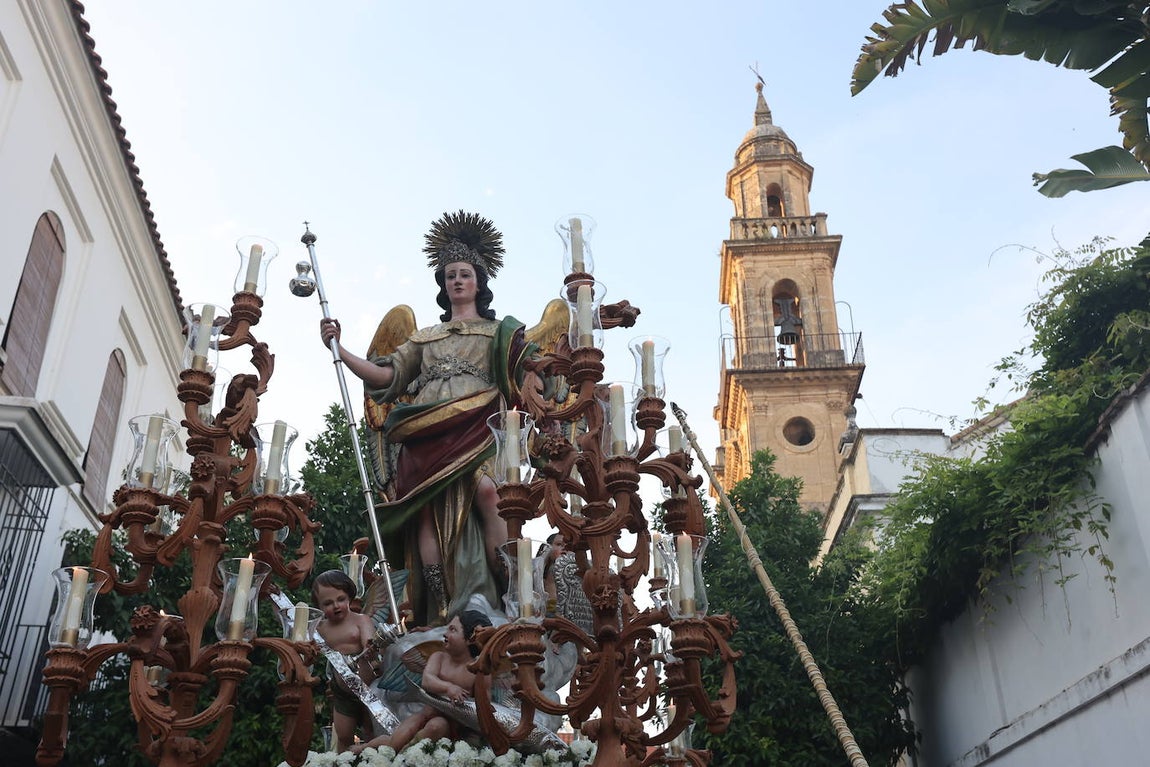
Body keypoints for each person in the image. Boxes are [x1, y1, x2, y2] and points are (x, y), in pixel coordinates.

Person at [319, 211, 535, 625]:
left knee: (491, 494)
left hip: (480, 425)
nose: (457, 280)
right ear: (443, 284)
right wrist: (341, 351)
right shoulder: (424, 338)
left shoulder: (500, 332)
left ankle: (509, 586)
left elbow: (528, 373)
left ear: (479, 282)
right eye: (450, 275)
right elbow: (387, 376)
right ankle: (435, 608)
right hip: (424, 430)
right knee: (427, 516)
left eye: (465, 274)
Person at [349, 610, 493, 756]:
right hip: (426, 714)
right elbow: (427, 680)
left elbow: (485, 704)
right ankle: (368, 747)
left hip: (457, 725)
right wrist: (448, 687)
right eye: (447, 628)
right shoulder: (439, 658)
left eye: (452, 630)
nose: (445, 634)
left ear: (470, 639)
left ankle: (407, 754)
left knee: (437, 726)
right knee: (398, 738)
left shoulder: (479, 670)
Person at [313, 569, 379, 751]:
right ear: (319, 606)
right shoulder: (321, 629)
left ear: (349, 596)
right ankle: (343, 762)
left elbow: (369, 640)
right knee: (343, 735)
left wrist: (369, 647)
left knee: (372, 730)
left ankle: (376, 760)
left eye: (340, 599)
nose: (335, 606)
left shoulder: (360, 620)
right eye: (328, 603)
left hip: (369, 688)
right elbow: (296, 626)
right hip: (342, 692)